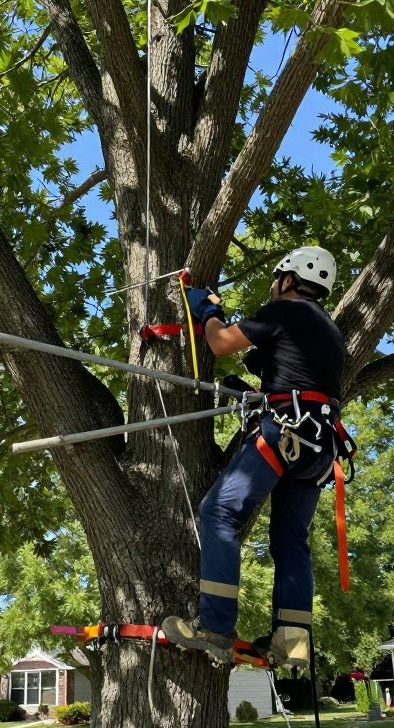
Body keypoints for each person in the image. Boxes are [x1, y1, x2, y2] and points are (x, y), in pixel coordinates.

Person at [162, 246, 344, 668]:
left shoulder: (287, 310)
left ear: (288, 279)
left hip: (287, 431)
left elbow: (222, 343)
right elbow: (302, 378)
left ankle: (215, 629)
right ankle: (293, 644)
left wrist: (206, 310)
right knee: (290, 539)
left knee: (219, 512)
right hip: (319, 447)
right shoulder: (330, 331)